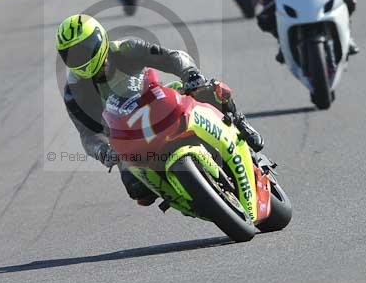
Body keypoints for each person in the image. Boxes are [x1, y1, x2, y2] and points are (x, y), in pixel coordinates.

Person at [57, 14, 264, 205]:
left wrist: (190, 73)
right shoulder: (74, 91)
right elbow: (88, 135)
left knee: (209, 90)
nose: (80, 59)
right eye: (72, 56)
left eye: (84, 50)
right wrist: (103, 151)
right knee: (138, 191)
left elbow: (172, 57)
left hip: (160, 103)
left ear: (100, 39)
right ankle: (187, 195)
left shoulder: (126, 49)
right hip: (127, 136)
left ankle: (239, 122)